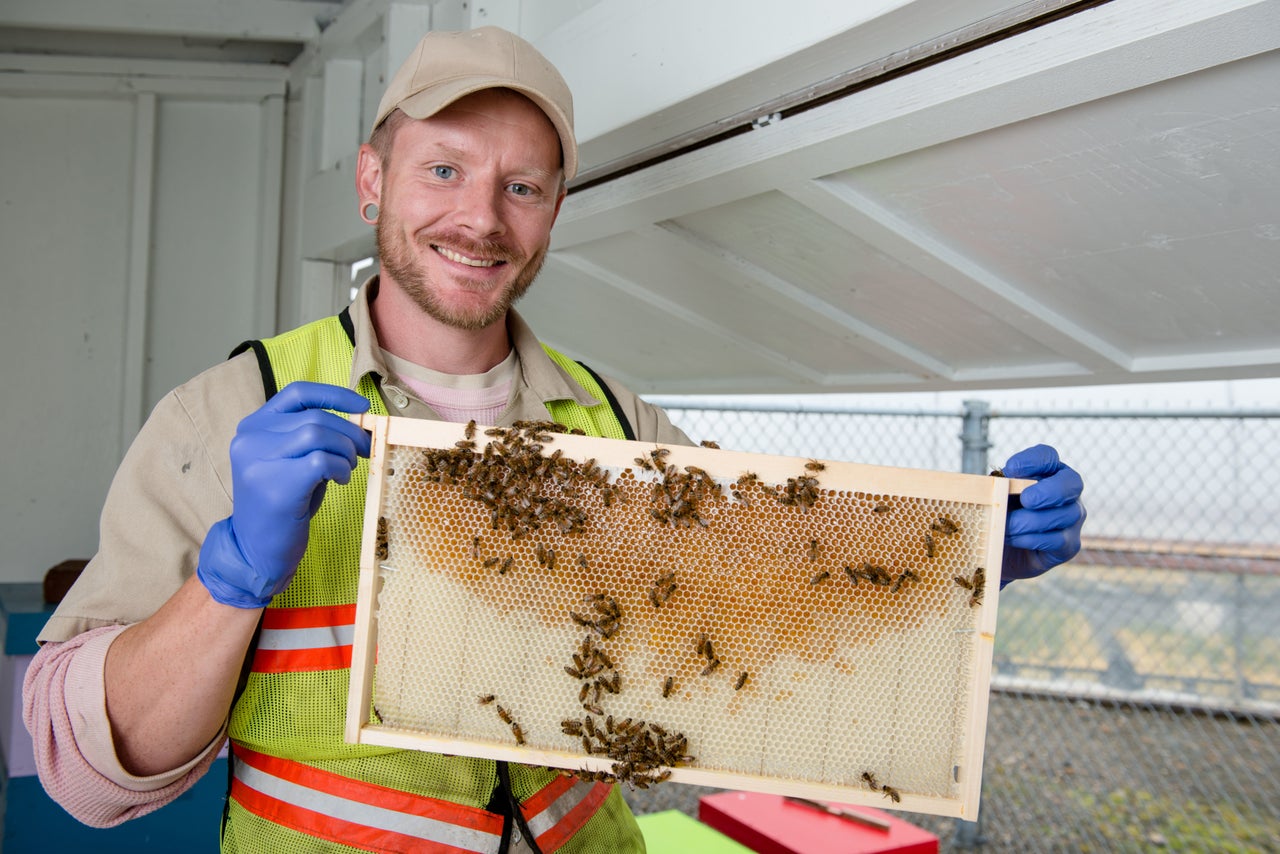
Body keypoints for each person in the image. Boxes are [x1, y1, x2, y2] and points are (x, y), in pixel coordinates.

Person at [23, 26, 1085, 854]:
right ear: (369, 180)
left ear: (552, 211)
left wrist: (967, 560)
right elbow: (81, 771)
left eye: (520, 186)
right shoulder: (223, 412)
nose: (480, 217)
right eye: (442, 169)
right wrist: (230, 578)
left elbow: (756, 627)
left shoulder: (621, 422)